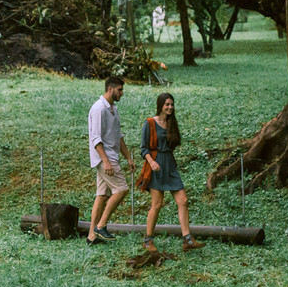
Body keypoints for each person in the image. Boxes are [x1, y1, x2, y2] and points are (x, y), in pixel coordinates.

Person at [140, 92, 204, 252]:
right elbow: (143, 148)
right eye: (167, 104)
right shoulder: (149, 123)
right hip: (156, 165)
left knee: (183, 200)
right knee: (157, 203)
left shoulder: (171, 123)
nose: (170, 107)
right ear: (160, 105)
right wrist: (152, 161)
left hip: (170, 165)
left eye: (172, 104)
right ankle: (148, 240)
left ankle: (187, 239)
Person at [87, 76, 133, 244]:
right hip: (104, 158)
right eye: (119, 90)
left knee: (101, 195)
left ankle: (91, 236)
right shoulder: (99, 109)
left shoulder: (113, 108)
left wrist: (128, 157)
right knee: (121, 189)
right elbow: (96, 139)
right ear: (110, 89)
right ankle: (101, 226)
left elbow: (118, 136)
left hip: (112, 156)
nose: (122, 93)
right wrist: (106, 161)